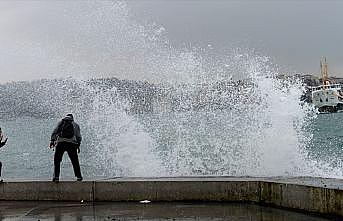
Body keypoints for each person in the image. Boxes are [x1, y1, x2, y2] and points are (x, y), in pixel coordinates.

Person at [50, 114, 82, 182]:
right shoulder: (75, 124)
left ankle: (56, 177)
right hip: (71, 144)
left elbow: (55, 132)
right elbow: (78, 136)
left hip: (60, 143)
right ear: (72, 118)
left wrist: (52, 141)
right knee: (75, 161)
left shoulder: (60, 123)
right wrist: (78, 145)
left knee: (57, 161)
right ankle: (79, 177)